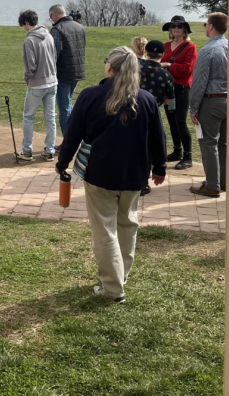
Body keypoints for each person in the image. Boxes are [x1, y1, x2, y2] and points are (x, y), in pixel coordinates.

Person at [56, 46, 167, 303]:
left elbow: (73, 134)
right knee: (127, 225)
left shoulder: (90, 96)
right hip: (134, 174)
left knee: (105, 230)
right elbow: (158, 138)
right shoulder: (146, 99)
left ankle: (113, 288)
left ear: (110, 66)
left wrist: (62, 161)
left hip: (100, 173)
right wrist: (160, 167)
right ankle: (119, 277)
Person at [189, 12, 229, 198]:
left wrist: (194, 108)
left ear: (211, 26)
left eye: (206, 24)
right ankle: (223, 180)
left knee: (208, 143)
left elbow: (199, 83)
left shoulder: (208, 50)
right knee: (224, 143)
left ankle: (212, 185)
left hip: (212, 100)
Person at [17, 9, 57, 162]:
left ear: (27, 23)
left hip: (36, 84)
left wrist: (27, 78)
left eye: (23, 25)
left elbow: (30, 66)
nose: (24, 28)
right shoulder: (49, 36)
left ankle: (27, 150)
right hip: (52, 82)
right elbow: (54, 58)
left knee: (28, 117)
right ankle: (50, 150)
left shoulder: (29, 41)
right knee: (50, 118)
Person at [137, 40, 175, 195]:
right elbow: (168, 101)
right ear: (162, 54)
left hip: (133, 109)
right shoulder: (166, 76)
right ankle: (144, 181)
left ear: (146, 52)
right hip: (152, 112)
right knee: (150, 146)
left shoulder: (136, 69)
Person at [160, 15, 198, 170]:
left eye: (179, 26)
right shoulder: (166, 45)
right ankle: (177, 151)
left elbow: (188, 69)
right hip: (168, 89)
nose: (176, 29)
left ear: (185, 30)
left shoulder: (190, 47)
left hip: (182, 89)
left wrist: (168, 65)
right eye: (173, 26)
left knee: (181, 122)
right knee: (171, 121)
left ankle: (187, 156)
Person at [49, 3, 86, 135]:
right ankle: (74, 136)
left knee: (64, 107)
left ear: (54, 14)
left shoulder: (57, 29)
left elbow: (54, 55)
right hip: (78, 70)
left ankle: (68, 141)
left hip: (63, 72)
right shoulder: (80, 27)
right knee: (68, 104)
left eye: (51, 17)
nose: (51, 20)